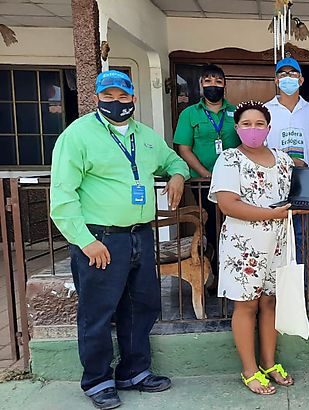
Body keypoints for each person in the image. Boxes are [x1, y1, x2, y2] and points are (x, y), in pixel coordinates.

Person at [50, 70, 190, 409]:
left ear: (133, 98)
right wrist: (85, 241)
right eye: (108, 96)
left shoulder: (145, 136)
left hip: (140, 236)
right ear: (97, 98)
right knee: (98, 312)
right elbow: (62, 197)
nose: (116, 102)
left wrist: (177, 175)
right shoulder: (78, 135)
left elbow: (173, 159)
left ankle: (134, 371)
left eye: (122, 96)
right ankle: (97, 380)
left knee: (141, 307)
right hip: (100, 239)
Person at [209, 100, 309, 395]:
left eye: (258, 124)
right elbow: (229, 205)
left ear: (268, 128)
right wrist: (272, 214)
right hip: (244, 245)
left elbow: (293, 203)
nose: (253, 129)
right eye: (246, 124)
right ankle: (249, 369)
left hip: (279, 242)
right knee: (246, 304)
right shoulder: (229, 160)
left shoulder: (283, 160)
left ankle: (268, 363)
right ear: (237, 128)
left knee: (270, 302)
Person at [174, 64, 240, 279]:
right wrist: (204, 173)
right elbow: (184, 148)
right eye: (209, 81)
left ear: (224, 86)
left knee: (234, 224)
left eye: (218, 82)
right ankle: (215, 274)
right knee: (211, 227)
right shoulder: (189, 114)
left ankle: (235, 271)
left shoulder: (235, 112)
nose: (214, 85)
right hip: (204, 182)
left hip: (234, 180)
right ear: (201, 85)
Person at [265, 57, 309, 293]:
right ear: (276, 80)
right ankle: (277, 287)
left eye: (292, 74)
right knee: (276, 234)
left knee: (304, 236)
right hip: (274, 180)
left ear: (301, 79)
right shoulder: (266, 110)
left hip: (306, 181)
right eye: (283, 74)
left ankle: (301, 285)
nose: (287, 78)